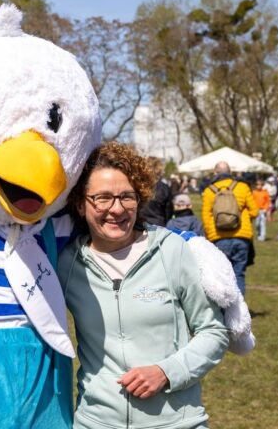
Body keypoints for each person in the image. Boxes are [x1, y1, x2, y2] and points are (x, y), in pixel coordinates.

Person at [58, 142, 228, 429]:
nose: (117, 208)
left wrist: (166, 372)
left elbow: (214, 332)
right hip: (96, 422)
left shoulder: (171, 250)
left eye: (127, 196)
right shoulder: (66, 264)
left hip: (177, 422)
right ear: (79, 203)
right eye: (102, 198)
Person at [201, 162, 258, 295]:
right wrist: (242, 219)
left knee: (222, 276)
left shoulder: (209, 190)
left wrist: (210, 235)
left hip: (218, 236)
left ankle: (224, 312)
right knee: (239, 274)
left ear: (215, 173)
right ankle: (239, 312)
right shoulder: (242, 187)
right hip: (241, 236)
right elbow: (254, 211)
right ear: (230, 172)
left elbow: (206, 216)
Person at [139, 157, 172, 226]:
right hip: (158, 224)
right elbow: (169, 212)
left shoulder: (138, 185)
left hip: (140, 224)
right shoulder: (164, 188)